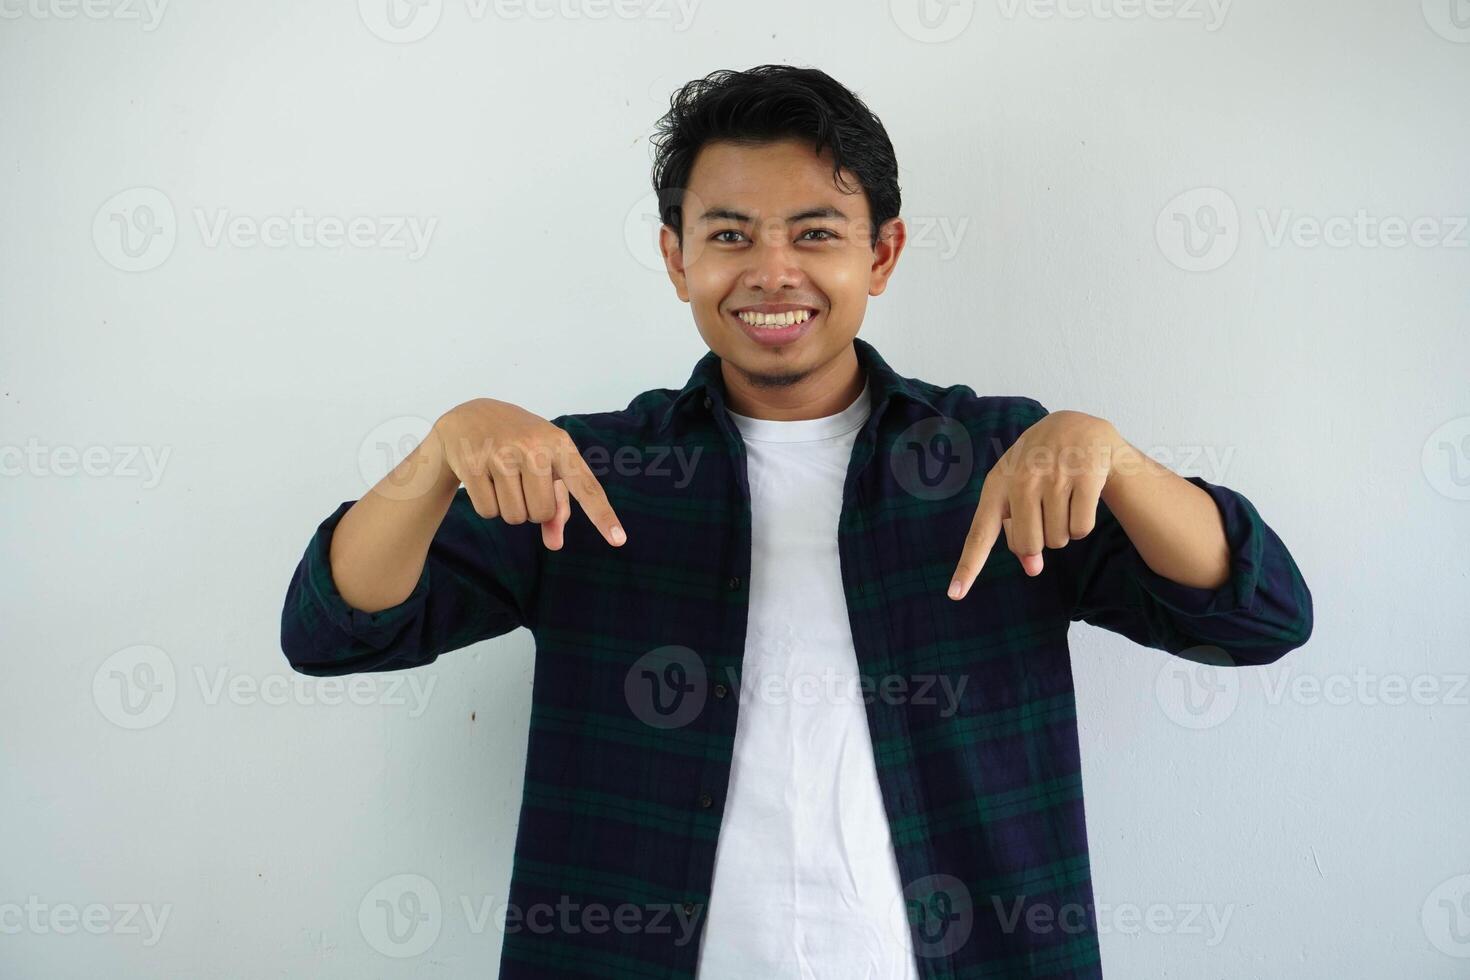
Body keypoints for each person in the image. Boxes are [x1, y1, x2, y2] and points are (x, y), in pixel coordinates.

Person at [280, 64, 1313, 979]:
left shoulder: (1002, 463)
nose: (772, 270)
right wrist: (438, 450)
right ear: (678, 258)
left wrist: (1115, 458)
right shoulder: (587, 475)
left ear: (884, 252)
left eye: (815, 232)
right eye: (729, 234)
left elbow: (1259, 616)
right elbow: (334, 628)